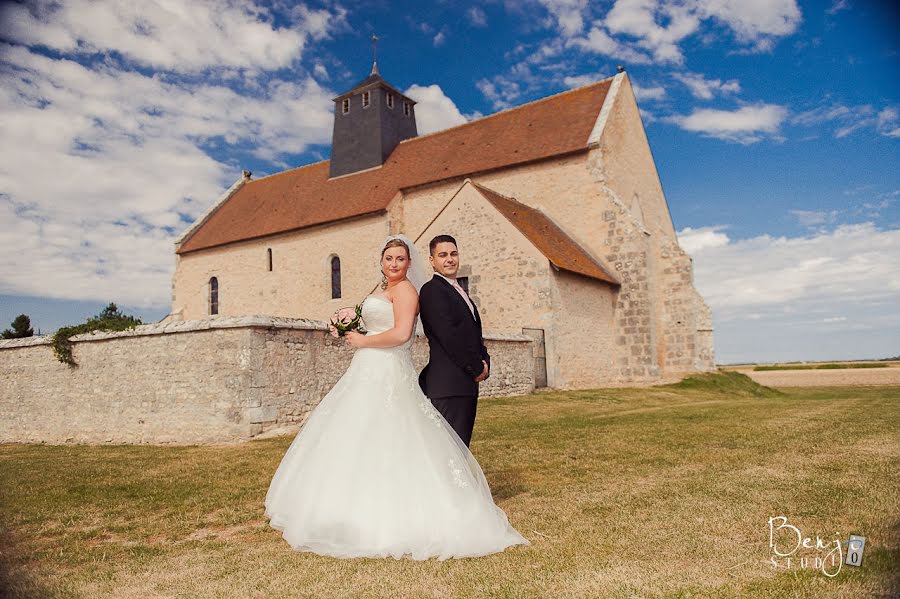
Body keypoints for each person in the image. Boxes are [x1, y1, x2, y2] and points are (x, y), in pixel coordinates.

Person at [264, 234, 528, 560]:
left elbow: (402, 334)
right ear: (381, 261)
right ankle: (339, 507)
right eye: (389, 258)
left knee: (391, 434)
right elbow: (371, 319)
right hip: (365, 371)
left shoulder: (406, 291)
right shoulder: (380, 291)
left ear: (409, 263)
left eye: (400, 259)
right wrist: (346, 324)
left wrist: (362, 341)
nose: (394, 264)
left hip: (389, 369)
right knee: (353, 435)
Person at [418, 235, 489, 447]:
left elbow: (474, 334)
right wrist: (476, 367)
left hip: (464, 385)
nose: (450, 259)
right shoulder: (432, 291)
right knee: (449, 453)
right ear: (432, 261)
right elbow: (449, 336)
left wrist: (486, 362)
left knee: (460, 450)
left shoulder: (458, 291)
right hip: (448, 387)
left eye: (453, 254)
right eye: (443, 255)